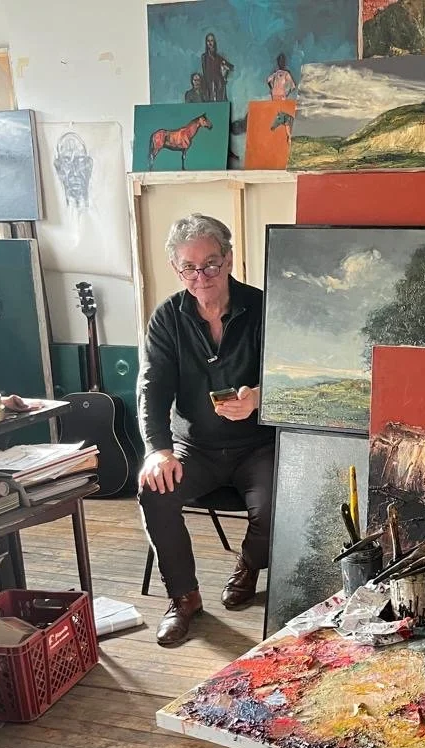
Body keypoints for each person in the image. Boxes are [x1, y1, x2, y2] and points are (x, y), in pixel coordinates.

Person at [137, 214, 274, 648]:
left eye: (211, 264)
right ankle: (184, 598)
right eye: (189, 268)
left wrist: (259, 397)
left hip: (258, 447)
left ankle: (249, 566)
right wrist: (157, 450)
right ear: (176, 269)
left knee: (278, 504)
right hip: (194, 447)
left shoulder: (263, 307)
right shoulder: (167, 318)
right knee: (154, 489)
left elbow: (293, 376)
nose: (202, 277)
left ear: (229, 259)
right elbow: (151, 388)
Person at [201, 32, 233, 102]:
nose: (210, 43)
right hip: (209, 86)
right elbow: (205, 73)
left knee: (221, 101)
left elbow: (231, 67)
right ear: (206, 43)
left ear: (214, 42)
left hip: (219, 84)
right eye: (208, 41)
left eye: (211, 40)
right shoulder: (204, 57)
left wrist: (224, 72)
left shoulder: (218, 58)